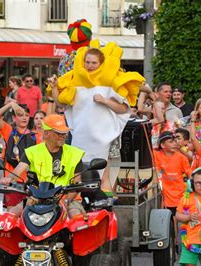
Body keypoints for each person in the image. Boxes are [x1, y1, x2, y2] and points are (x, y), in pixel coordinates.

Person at [54, 42, 145, 195]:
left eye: (93, 63)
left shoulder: (110, 83)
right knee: (78, 173)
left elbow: (123, 109)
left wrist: (105, 101)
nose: (89, 65)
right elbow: (61, 104)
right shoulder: (76, 82)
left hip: (106, 137)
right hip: (82, 136)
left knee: (104, 176)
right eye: (87, 62)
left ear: (101, 63)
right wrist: (55, 88)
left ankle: (105, 205)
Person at [0, 114, 91, 218]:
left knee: (76, 217)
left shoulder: (75, 153)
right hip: (37, 198)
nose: (63, 136)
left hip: (68, 199)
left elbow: (76, 184)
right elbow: (16, 173)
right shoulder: (32, 152)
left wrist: (65, 201)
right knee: (11, 215)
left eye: (65, 133)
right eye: (58, 133)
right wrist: (8, 179)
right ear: (46, 133)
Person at [0, 102, 39, 207]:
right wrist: (10, 104)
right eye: (20, 115)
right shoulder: (9, 131)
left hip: (29, 183)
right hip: (11, 183)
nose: (24, 118)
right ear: (14, 118)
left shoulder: (35, 136)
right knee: (12, 214)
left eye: (27, 115)